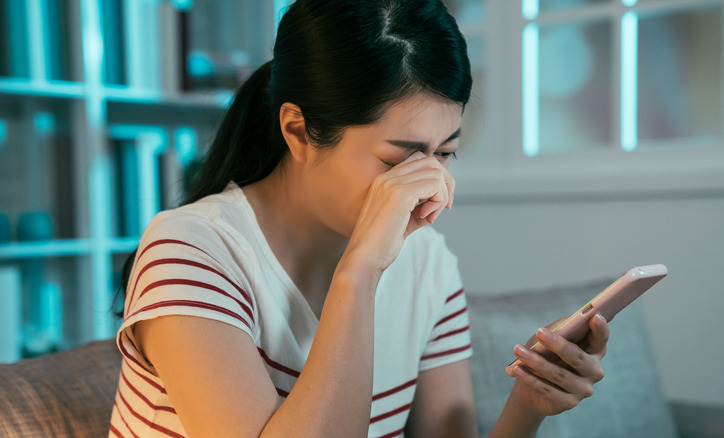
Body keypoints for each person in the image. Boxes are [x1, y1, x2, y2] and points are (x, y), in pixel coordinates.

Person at [109, 0, 609, 437]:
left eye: (445, 154)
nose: (430, 188)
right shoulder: (189, 251)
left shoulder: (426, 261)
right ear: (298, 131)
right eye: (398, 161)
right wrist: (360, 271)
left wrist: (528, 403)